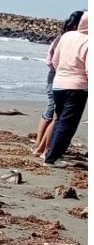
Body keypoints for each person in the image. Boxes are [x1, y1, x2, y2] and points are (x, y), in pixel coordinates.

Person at [32, 10, 84, 157]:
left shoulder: (64, 38)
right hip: (62, 80)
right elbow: (51, 61)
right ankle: (43, 148)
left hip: (57, 79)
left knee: (53, 114)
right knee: (56, 116)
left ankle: (41, 146)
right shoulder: (67, 39)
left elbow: (51, 61)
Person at [43, 11, 88, 168]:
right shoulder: (89, 42)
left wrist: (62, 73)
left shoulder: (67, 37)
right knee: (67, 124)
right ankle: (52, 158)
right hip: (77, 87)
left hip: (59, 84)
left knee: (59, 119)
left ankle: (50, 153)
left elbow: (55, 60)